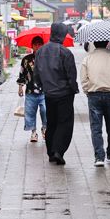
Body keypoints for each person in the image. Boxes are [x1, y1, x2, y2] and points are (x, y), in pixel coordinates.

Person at [34, 22, 78, 166]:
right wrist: (74, 88)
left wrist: (41, 86)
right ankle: (58, 150)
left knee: (51, 122)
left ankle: (51, 152)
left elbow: (36, 74)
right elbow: (71, 75)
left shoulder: (40, 51)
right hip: (64, 93)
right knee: (64, 123)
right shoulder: (65, 52)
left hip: (49, 94)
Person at [82, 40, 110, 166]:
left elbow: (83, 79)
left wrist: (88, 91)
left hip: (94, 95)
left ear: (95, 44)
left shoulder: (88, 59)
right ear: (107, 43)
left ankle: (99, 157)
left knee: (96, 128)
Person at [17, 41, 46, 144]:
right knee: (30, 113)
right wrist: (20, 87)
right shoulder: (26, 60)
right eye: (35, 44)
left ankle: (44, 128)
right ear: (32, 46)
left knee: (45, 111)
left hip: (44, 92)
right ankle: (33, 132)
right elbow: (22, 74)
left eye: (39, 44)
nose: (37, 46)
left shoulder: (47, 58)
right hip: (30, 91)